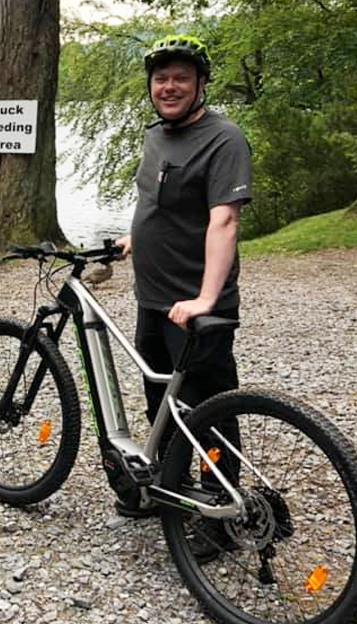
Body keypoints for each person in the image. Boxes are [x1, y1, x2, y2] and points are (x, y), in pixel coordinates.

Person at [115, 35, 251, 535]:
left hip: (196, 305)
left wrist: (205, 299)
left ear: (201, 85)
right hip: (152, 300)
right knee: (163, 404)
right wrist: (134, 238)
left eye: (181, 78)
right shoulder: (156, 135)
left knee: (209, 409)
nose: (169, 87)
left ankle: (221, 511)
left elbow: (225, 221)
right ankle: (169, 490)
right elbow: (156, 198)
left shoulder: (224, 139)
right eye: (161, 78)